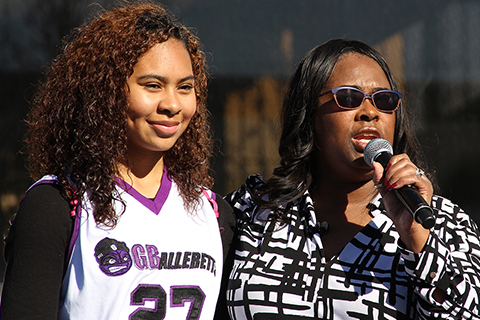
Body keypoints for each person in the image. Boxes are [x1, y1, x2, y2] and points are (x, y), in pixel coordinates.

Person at [0, 2, 235, 319]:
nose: (172, 104)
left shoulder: (214, 214)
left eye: (185, 88)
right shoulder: (55, 205)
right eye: (152, 85)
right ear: (106, 90)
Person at [219, 39, 480, 319]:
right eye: (348, 97)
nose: (370, 111)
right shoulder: (251, 210)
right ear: (309, 114)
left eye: (384, 100)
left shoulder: (442, 221)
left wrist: (419, 240)